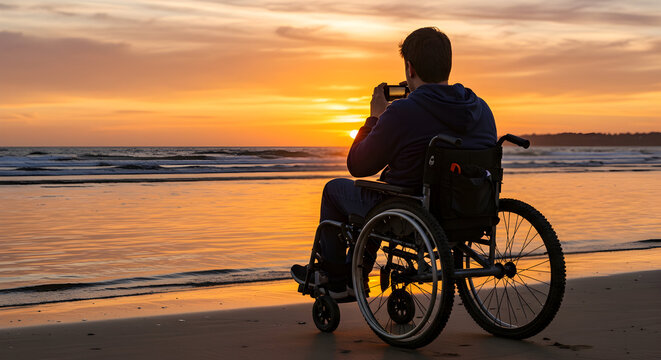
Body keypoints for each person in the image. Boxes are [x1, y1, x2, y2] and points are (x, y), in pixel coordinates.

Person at [291, 27, 497, 298]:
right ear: (447, 65)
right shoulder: (480, 107)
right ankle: (356, 274)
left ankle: (335, 278)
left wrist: (375, 118)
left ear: (409, 68)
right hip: (469, 208)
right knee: (380, 194)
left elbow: (358, 166)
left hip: (410, 212)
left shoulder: (402, 112)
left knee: (335, 190)